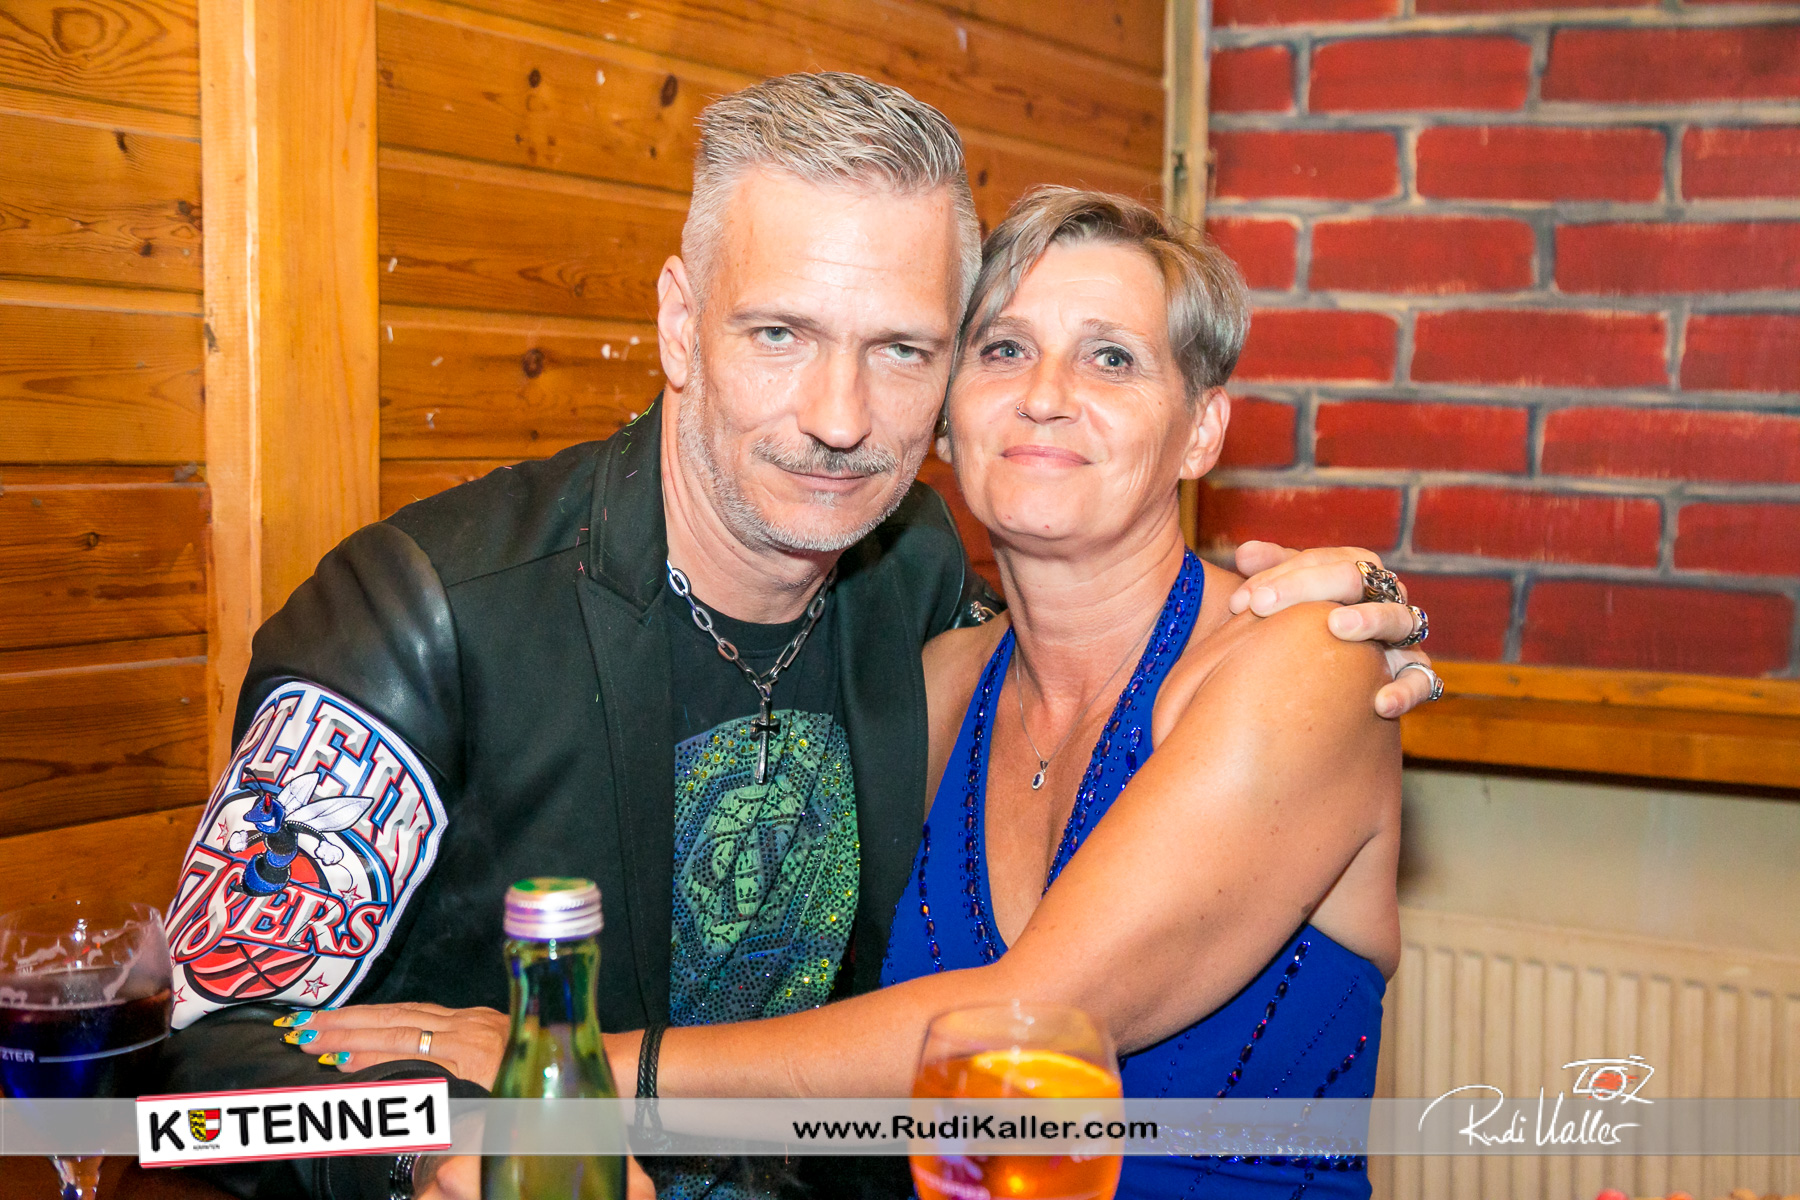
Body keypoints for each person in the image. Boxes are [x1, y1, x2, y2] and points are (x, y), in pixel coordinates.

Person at [157, 74, 1438, 1200]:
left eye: (901, 350)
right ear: (679, 324)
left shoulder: (910, 594)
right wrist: (426, 1156)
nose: (839, 415)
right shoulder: (426, 614)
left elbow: (1055, 950)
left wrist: (1358, 601)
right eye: (781, 334)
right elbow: (199, 1070)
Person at [556, 187, 1404, 1200]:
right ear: (946, 418)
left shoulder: (1306, 658)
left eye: (1111, 358)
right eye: (1003, 349)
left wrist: (564, 1073)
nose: (1045, 394)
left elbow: (1032, 1026)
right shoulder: (935, 688)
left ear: (1201, 431)